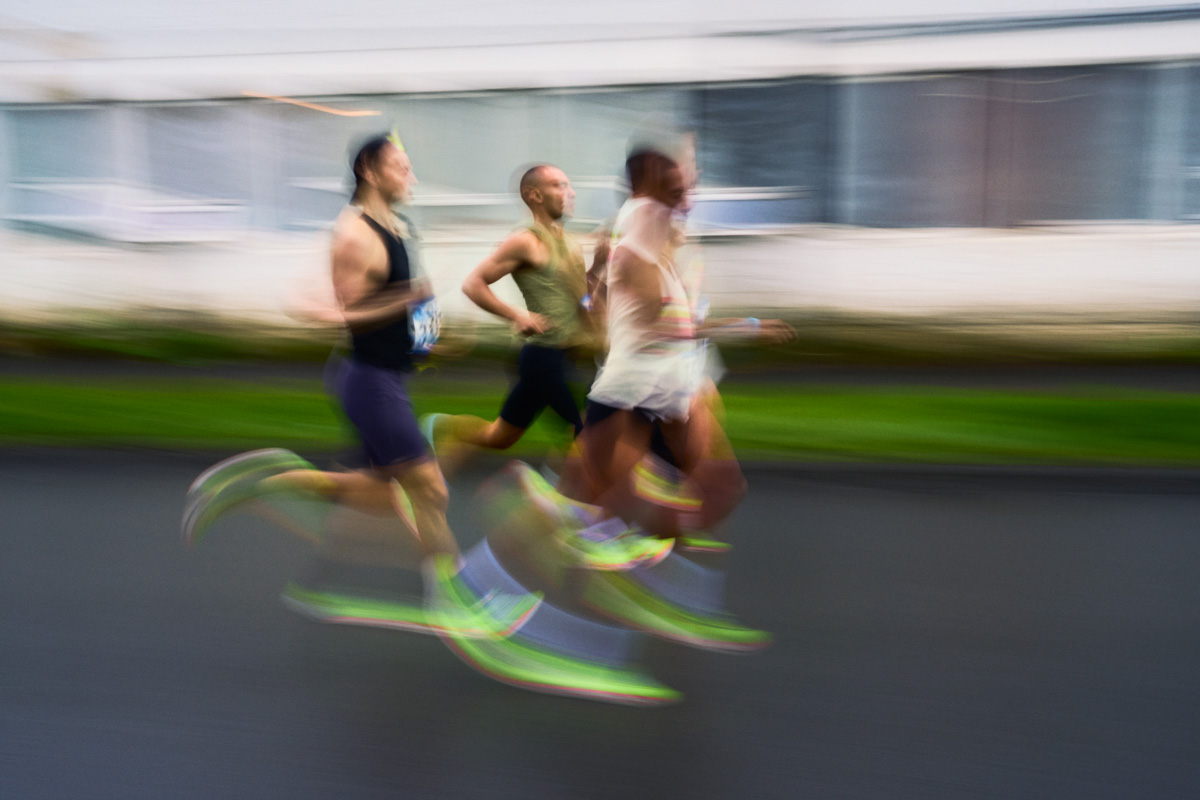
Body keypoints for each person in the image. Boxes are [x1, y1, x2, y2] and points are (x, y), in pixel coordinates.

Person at [182, 132, 541, 639]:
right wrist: (406, 298)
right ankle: (461, 599)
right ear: (370, 172)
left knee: (376, 492)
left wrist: (428, 344)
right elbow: (351, 313)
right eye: (401, 167)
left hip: (385, 376)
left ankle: (260, 484)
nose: (411, 177)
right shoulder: (353, 233)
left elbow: (395, 310)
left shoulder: (396, 225)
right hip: (369, 383)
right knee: (430, 491)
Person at [423, 164, 588, 473]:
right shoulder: (526, 241)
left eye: (569, 185)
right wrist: (517, 314)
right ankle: (559, 493)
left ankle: (446, 428)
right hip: (543, 358)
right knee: (587, 432)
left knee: (500, 437)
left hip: (566, 356)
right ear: (534, 195)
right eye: (559, 185)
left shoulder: (571, 243)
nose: (571, 193)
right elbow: (473, 284)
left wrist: (602, 274)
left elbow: (581, 299)